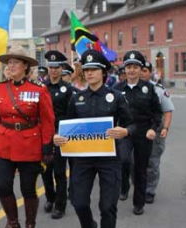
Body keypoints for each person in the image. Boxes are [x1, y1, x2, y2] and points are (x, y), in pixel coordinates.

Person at [54, 49, 135, 228]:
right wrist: (59, 137)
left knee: (107, 206)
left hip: (109, 159)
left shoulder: (116, 97)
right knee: (79, 202)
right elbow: (68, 126)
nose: (89, 73)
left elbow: (132, 124)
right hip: (83, 159)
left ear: (103, 72)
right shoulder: (77, 98)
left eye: (94, 69)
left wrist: (125, 132)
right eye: (86, 69)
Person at [0, 46, 55, 228]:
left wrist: (47, 146)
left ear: (26, 66)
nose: (11, 65)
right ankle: (13, 221)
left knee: (28, 189)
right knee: (3, 186)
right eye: (9, 62)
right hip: (3, 143)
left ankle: (30, 223)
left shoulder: (39, 90)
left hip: (29, 142)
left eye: (16, 62)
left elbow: (48, 120)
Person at [114, 50, 162, 215]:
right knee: (124, 160)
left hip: (143, 132)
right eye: (128, 67)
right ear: (124, 69)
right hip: (124, 131)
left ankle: (138, 203)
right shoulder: (117, 88)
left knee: (141, 168)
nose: (132, 70)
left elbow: (157, 113)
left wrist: (152, 129)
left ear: (141, 69)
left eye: (135, 67)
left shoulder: (149, 88)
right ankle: (124, 186)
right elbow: (111, 112)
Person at [42, 50, 78, 220]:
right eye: (51, 67)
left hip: (61, 135)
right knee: (45, 171)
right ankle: (50, 198)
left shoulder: (68, 90)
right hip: (44, 135)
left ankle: (60, 205)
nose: (53, 70)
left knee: (59, 172)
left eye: (56, 67)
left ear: (62, 68)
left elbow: (72, 115)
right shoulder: (41, 88)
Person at [141, 61, 174, 204]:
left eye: (145, 70)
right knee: (131, 160)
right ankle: (138, 184)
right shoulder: (127, 89)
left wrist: (165, 128)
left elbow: (167, 111)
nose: (142, 73)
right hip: (136, 130)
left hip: (155, 130)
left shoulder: (158, 90)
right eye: (140, 70)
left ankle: (150, 190)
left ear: (150, 73)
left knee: (152, 162)